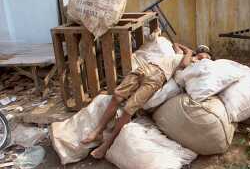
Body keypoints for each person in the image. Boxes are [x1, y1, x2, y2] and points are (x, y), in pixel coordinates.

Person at [82, 32, 212, 159]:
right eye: (203, 53)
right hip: (146, 67)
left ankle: (106, 145)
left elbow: (183, 65)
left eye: (207, 57)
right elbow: (175, 44)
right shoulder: (181, 54)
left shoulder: (192, 64)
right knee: (117, 95)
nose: (204, 56)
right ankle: (98, 131)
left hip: (157, 76)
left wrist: (189, 53)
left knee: (129, 108)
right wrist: (188, 49)